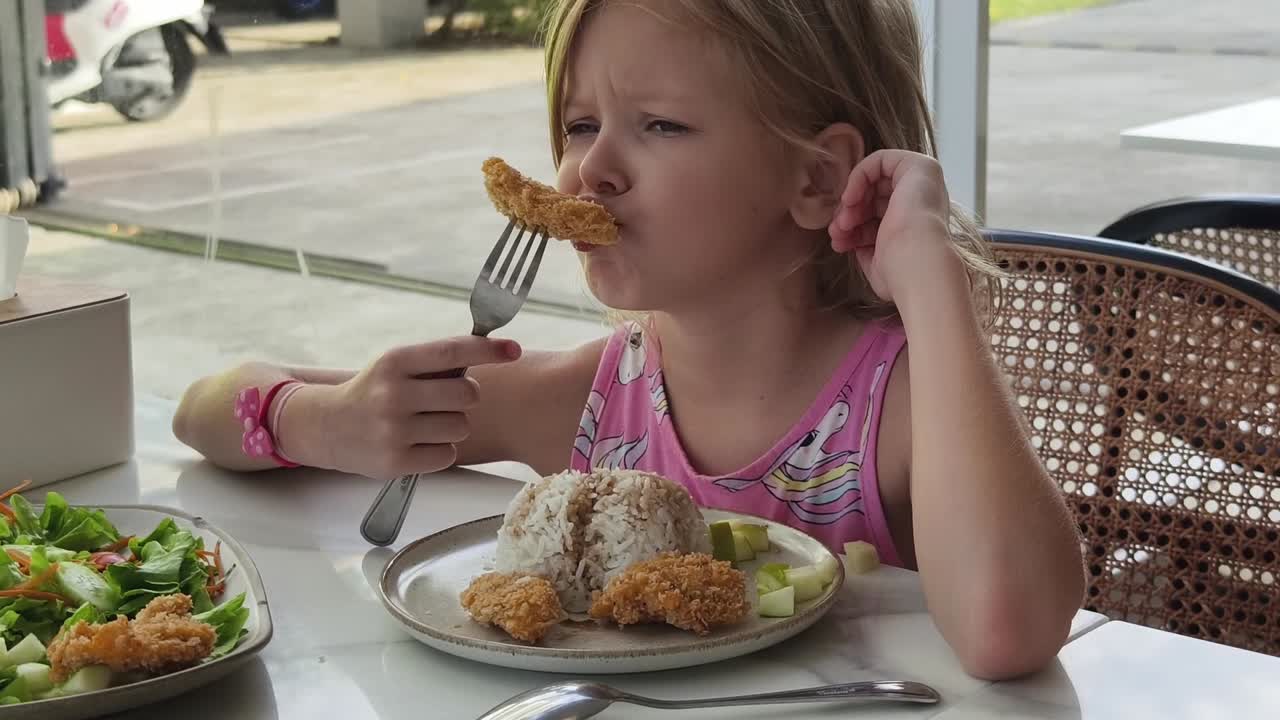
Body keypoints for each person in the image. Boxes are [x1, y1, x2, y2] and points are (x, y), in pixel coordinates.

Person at [173, 0, 1085, 679]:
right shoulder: (593, 399)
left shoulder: (896, 404)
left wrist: (932, 284)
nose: (589, 169)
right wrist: (315, 421)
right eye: (579, 124)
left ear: (816, 179)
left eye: (658, 125)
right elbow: (201, 411)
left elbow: (1007, 634)